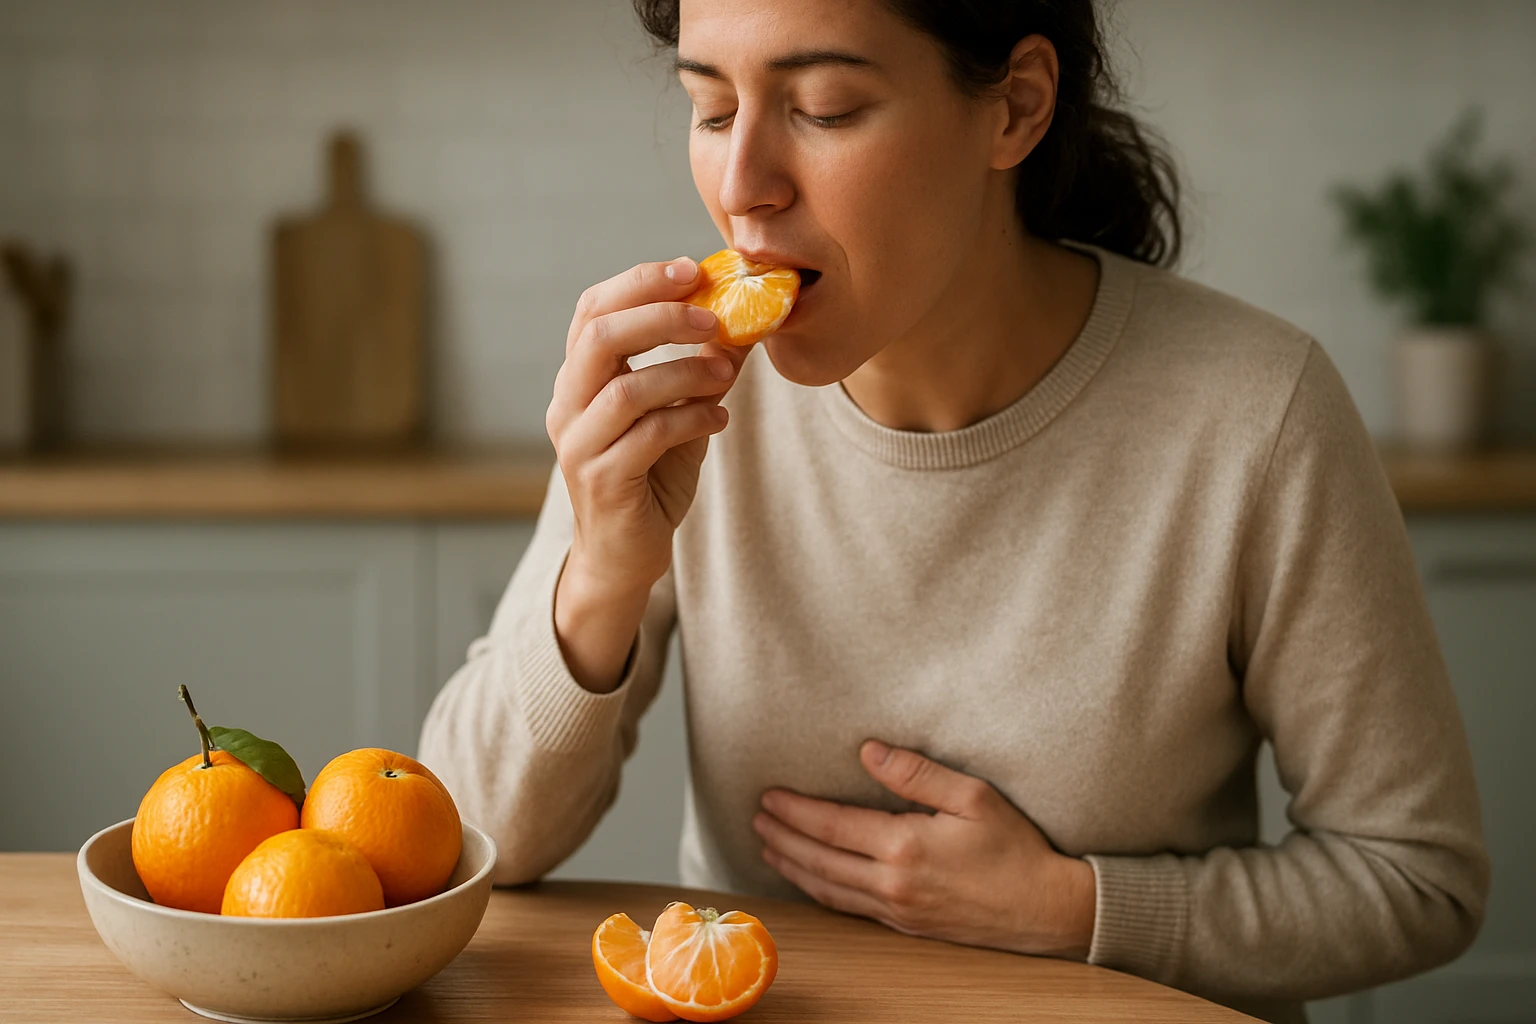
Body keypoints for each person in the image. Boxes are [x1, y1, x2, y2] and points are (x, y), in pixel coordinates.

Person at [418, 1, 1488, 1020]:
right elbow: (462, 839)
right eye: (711, 108)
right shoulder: (683, 396)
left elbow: (1417, 878)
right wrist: (602, 571)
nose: (742, 185)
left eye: (824, 108)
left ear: (1016, 105)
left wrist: (1078, 908)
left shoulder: (1257, 410)